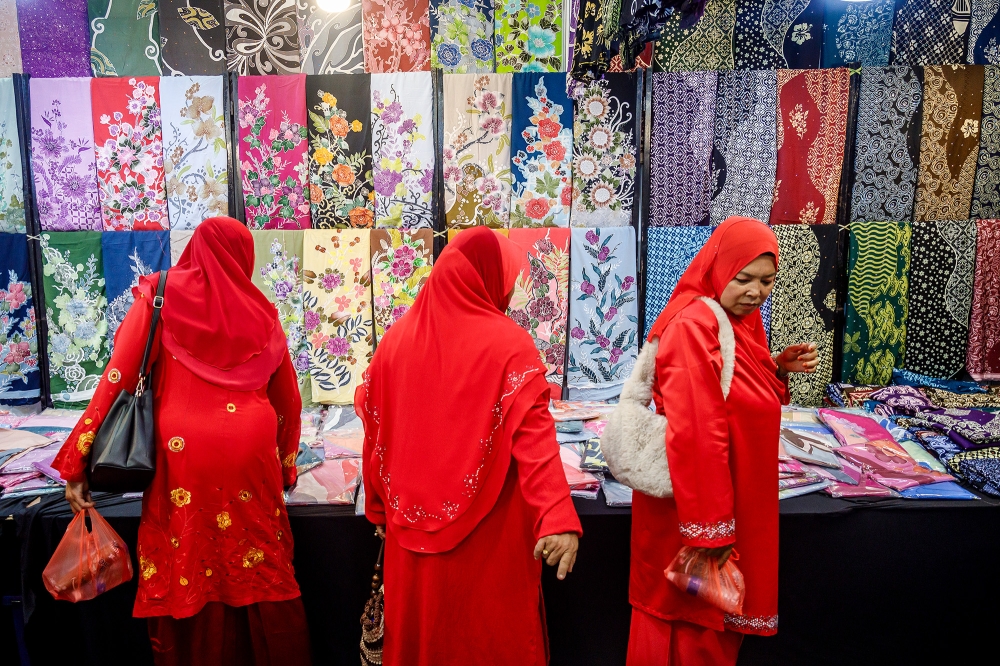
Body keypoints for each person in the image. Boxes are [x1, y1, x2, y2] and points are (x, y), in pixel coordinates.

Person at [53, 217, 312, 666]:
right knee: (258, 560)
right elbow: (287, 400)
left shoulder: (159, 295)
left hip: (183, 457)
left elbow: (118, 378)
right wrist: (286, 465)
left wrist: (76, 460)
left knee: (187, 555)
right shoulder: (263, 313)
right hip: (250, 453)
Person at [355, 226, 582, 666]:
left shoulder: (395, 342)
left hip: (410, 540)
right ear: (486, 279)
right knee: (486, 640)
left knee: (423, 641)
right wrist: (556, 516)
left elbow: (376, 434)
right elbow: (536, 442)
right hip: (489, 540)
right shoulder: (510, 346)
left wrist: (380, 509)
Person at [627, 217, 818, 665]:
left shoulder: (739, 322)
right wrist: (708, 528)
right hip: (695, 506)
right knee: (690, 622)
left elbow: (733, 396)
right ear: (717, 268)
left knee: (706, 621)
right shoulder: (695, 324)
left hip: (722, 496)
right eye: (743, 278)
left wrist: (775, 369)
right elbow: (696, 425)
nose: (755, 292)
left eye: (767, 281)